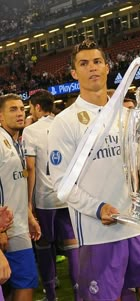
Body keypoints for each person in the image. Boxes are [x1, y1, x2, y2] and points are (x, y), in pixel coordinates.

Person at [48, 39, 140, 301]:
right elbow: (61, 183)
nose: (92, 68)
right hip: (97, 229)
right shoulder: (65, 122)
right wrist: (97, 208)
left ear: (107, 67)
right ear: (74, 73)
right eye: (84, 63)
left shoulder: (126, 116)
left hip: (134, 222)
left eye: (97, 62)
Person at [22, 90, 80, 301]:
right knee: (73, 246)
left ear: (37, 107)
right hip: (67, 196)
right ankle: (78, 294)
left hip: (45, 198)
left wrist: (29, 203)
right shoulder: (66, 123)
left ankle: (52, 295)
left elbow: (30, 166)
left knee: (44, 246)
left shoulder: (31, 131)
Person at [0, 93, 41, 301]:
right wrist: (0, 230)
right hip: (8, 230)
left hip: (19, 225)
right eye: (12, 109)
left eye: (21, 109)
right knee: (25, 282)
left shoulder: (16, 142)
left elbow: (15, 185)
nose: (19, 114)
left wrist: (29, 216)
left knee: (16, 284)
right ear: (0, 116)